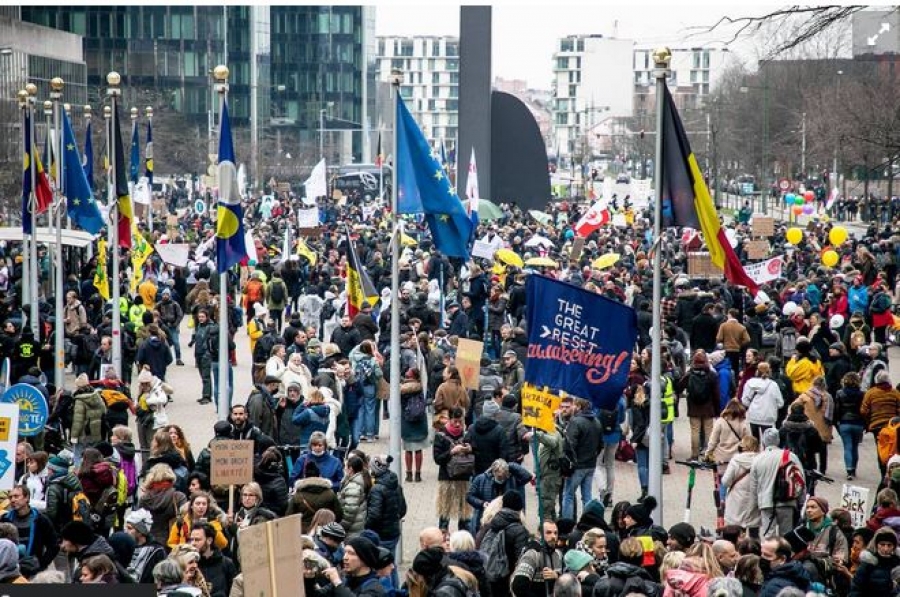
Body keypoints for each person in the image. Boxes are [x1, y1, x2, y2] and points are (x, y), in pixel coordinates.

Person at [752, 429, 803, 538]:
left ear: (764, 442)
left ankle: (769, 554)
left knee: (768, 535)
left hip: (766, 502)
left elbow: (754, 485)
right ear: (778, 440)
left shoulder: (757, 459)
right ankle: (784, 553)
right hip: (786, 501)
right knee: (786, 535)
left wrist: (756, 502)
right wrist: (801, 501)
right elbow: (800, 480)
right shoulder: (790, 456)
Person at [433, 408, 474, 532]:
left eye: (460, 421)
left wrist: (470, 449)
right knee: (445, 515)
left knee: (465, 517)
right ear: (449, 419)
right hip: (447, 479)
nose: (457, 424)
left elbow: (476, 452)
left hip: (464, 479)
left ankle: (464, 539)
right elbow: (437, 459)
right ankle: (443, 538)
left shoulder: (467, 434)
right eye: (455, 421)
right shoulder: (440, 435)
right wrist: (451, 452)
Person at [562, 397, 603, 520]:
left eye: (574, 405)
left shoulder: (576, 422)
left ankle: (567, 524)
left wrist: (568, 463)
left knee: (568, 495)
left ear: (579, 406)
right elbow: (600, 445)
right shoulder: (597, 421)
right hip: (590, 464)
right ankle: (589, 521)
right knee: (587, 496)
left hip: (577, 465)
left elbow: (569, 444)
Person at [1, 485, 58, 572]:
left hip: (32, 571)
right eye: (10, 497)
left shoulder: (41, 520)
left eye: (16, 496)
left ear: (27, 498)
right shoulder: (5, 519)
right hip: (9, 570)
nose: (12, 500)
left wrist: (41, 564)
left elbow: (54, 545)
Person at [678, 350, 720, 460]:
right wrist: (717, 409)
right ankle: (709, 455)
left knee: (695, 431)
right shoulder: (711, 375)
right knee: (709, 431)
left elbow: (679, 386)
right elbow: (716, 393)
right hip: (708, 408)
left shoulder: (690, 374)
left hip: (694, 407)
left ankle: (694, 455)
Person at [366, 455, 406, 564]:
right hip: (393, 532)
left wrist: (366, 527)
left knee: (382, 567)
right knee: (390, 566)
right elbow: (403, 510)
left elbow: (374, 515)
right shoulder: (395, 485)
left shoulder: (377, 490)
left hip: (381, 535)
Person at [319, 536, 385, 597]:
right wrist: (310, 577)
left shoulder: (374, 588)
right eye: (345, 552)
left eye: (351, 553)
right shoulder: (344, 577)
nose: (345, 557)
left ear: (364, 559)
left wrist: (337, 582)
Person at [511, 521, 563, 597]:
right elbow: (518, 587)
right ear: (539, 534)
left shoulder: (559, 554)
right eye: (548, 533)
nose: (553, 536)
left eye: (555, 533)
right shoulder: (533, 553)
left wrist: (557, 576)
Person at [722, 435, 761, 535]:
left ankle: (738, 548)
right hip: (755, 498)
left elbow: (726, 481)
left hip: (737, 498)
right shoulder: (761, 460)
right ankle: (754, 548)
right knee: (754, 529)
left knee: (737, 530)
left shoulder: (736, 460)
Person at [741, 362, 784, 444]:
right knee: (767, 442)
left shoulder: (750, 383)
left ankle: (755, 454)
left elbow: (744, 401)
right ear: (769, 371)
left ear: (757, 371)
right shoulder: (773, 385)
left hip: (753, 416)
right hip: (768, 416)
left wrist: (751, 405)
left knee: (755, 441)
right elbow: (780, 403)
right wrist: (773, 406)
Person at [849, 527, 900, 596]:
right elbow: (856, 589)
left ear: (894, 546)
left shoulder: (897, 564)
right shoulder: (868, 564)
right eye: (882, 544)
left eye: (889, 545)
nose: (885, 549)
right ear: (876, 545)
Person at [190, 523, 236, 597]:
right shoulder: (190, 565)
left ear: (209, 540)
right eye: (191, 539)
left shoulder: (226, 564)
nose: (193, 543)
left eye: (197, 540)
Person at [835, 371, 866, 480]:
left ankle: (848, 470)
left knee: (847, 447)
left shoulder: (839, 393)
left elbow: (837, 410)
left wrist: (837, 422)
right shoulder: (862, 394)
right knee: (855, 447)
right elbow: (864, 410)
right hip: (858, 423)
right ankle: (853, 469)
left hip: (844, 423)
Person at [124, 508, 167, 584]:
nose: (126, 531)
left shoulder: (157, 551)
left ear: (140, 532)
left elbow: (162, 577)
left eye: (130, 528)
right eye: (126, 528)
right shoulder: (124, 545)